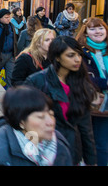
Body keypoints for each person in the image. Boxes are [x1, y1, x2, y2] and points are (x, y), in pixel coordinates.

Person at [25, 36, 97, 165]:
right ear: (57, 57)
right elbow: (24, 120)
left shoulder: (81, 84)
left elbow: (86, 128)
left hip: (70, 151)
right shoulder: (37, 81)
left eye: (79, 55)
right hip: (43, 151)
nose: (77, 59)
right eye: (71, 55)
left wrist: (91, 161)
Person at [0, 86, 73, 166]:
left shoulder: (60, 146)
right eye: (41, 117)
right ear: (21, 122)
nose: (50, 122)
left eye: (51, 115)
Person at [76, 17, 108, 166]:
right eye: (93, 28)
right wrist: (104, 82)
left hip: (105, 105)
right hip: (89, 102)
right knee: (92, 141)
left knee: (102, 143)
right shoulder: (81, 51)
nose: (98, 31)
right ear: (86, 32)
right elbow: (82, 76)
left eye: (101, 28)